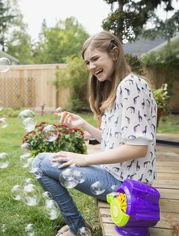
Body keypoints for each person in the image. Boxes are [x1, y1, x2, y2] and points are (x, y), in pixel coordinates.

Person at [32, 31, 157, 236]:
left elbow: (137, 148)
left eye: (95, 59)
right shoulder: (120, 88)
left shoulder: (131, 86)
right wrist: (84, 126)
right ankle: (78, 227)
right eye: (87, 63)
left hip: (128, 188)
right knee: (42, 162)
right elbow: (118, 141)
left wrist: (82, 159)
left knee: (40, 164)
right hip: (116, 175)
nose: (91, 67)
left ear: (115, 53)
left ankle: (79, 229)